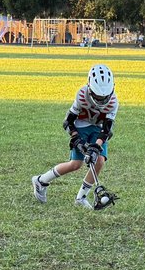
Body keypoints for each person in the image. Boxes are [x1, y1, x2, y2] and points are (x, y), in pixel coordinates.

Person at [32, 64, 118, 208]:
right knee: (75, 164)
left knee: (99, 161)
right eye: (98, 97)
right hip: (81, 126)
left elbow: (107, 129)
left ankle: (81, 197)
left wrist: (96, 146)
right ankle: (40, 180)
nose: (102, 101)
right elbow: (68, 121)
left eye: (105, 97)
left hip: (98, 129)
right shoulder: (82, 95)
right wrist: (77, 139)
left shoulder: (114, 102)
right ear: (90, 88)